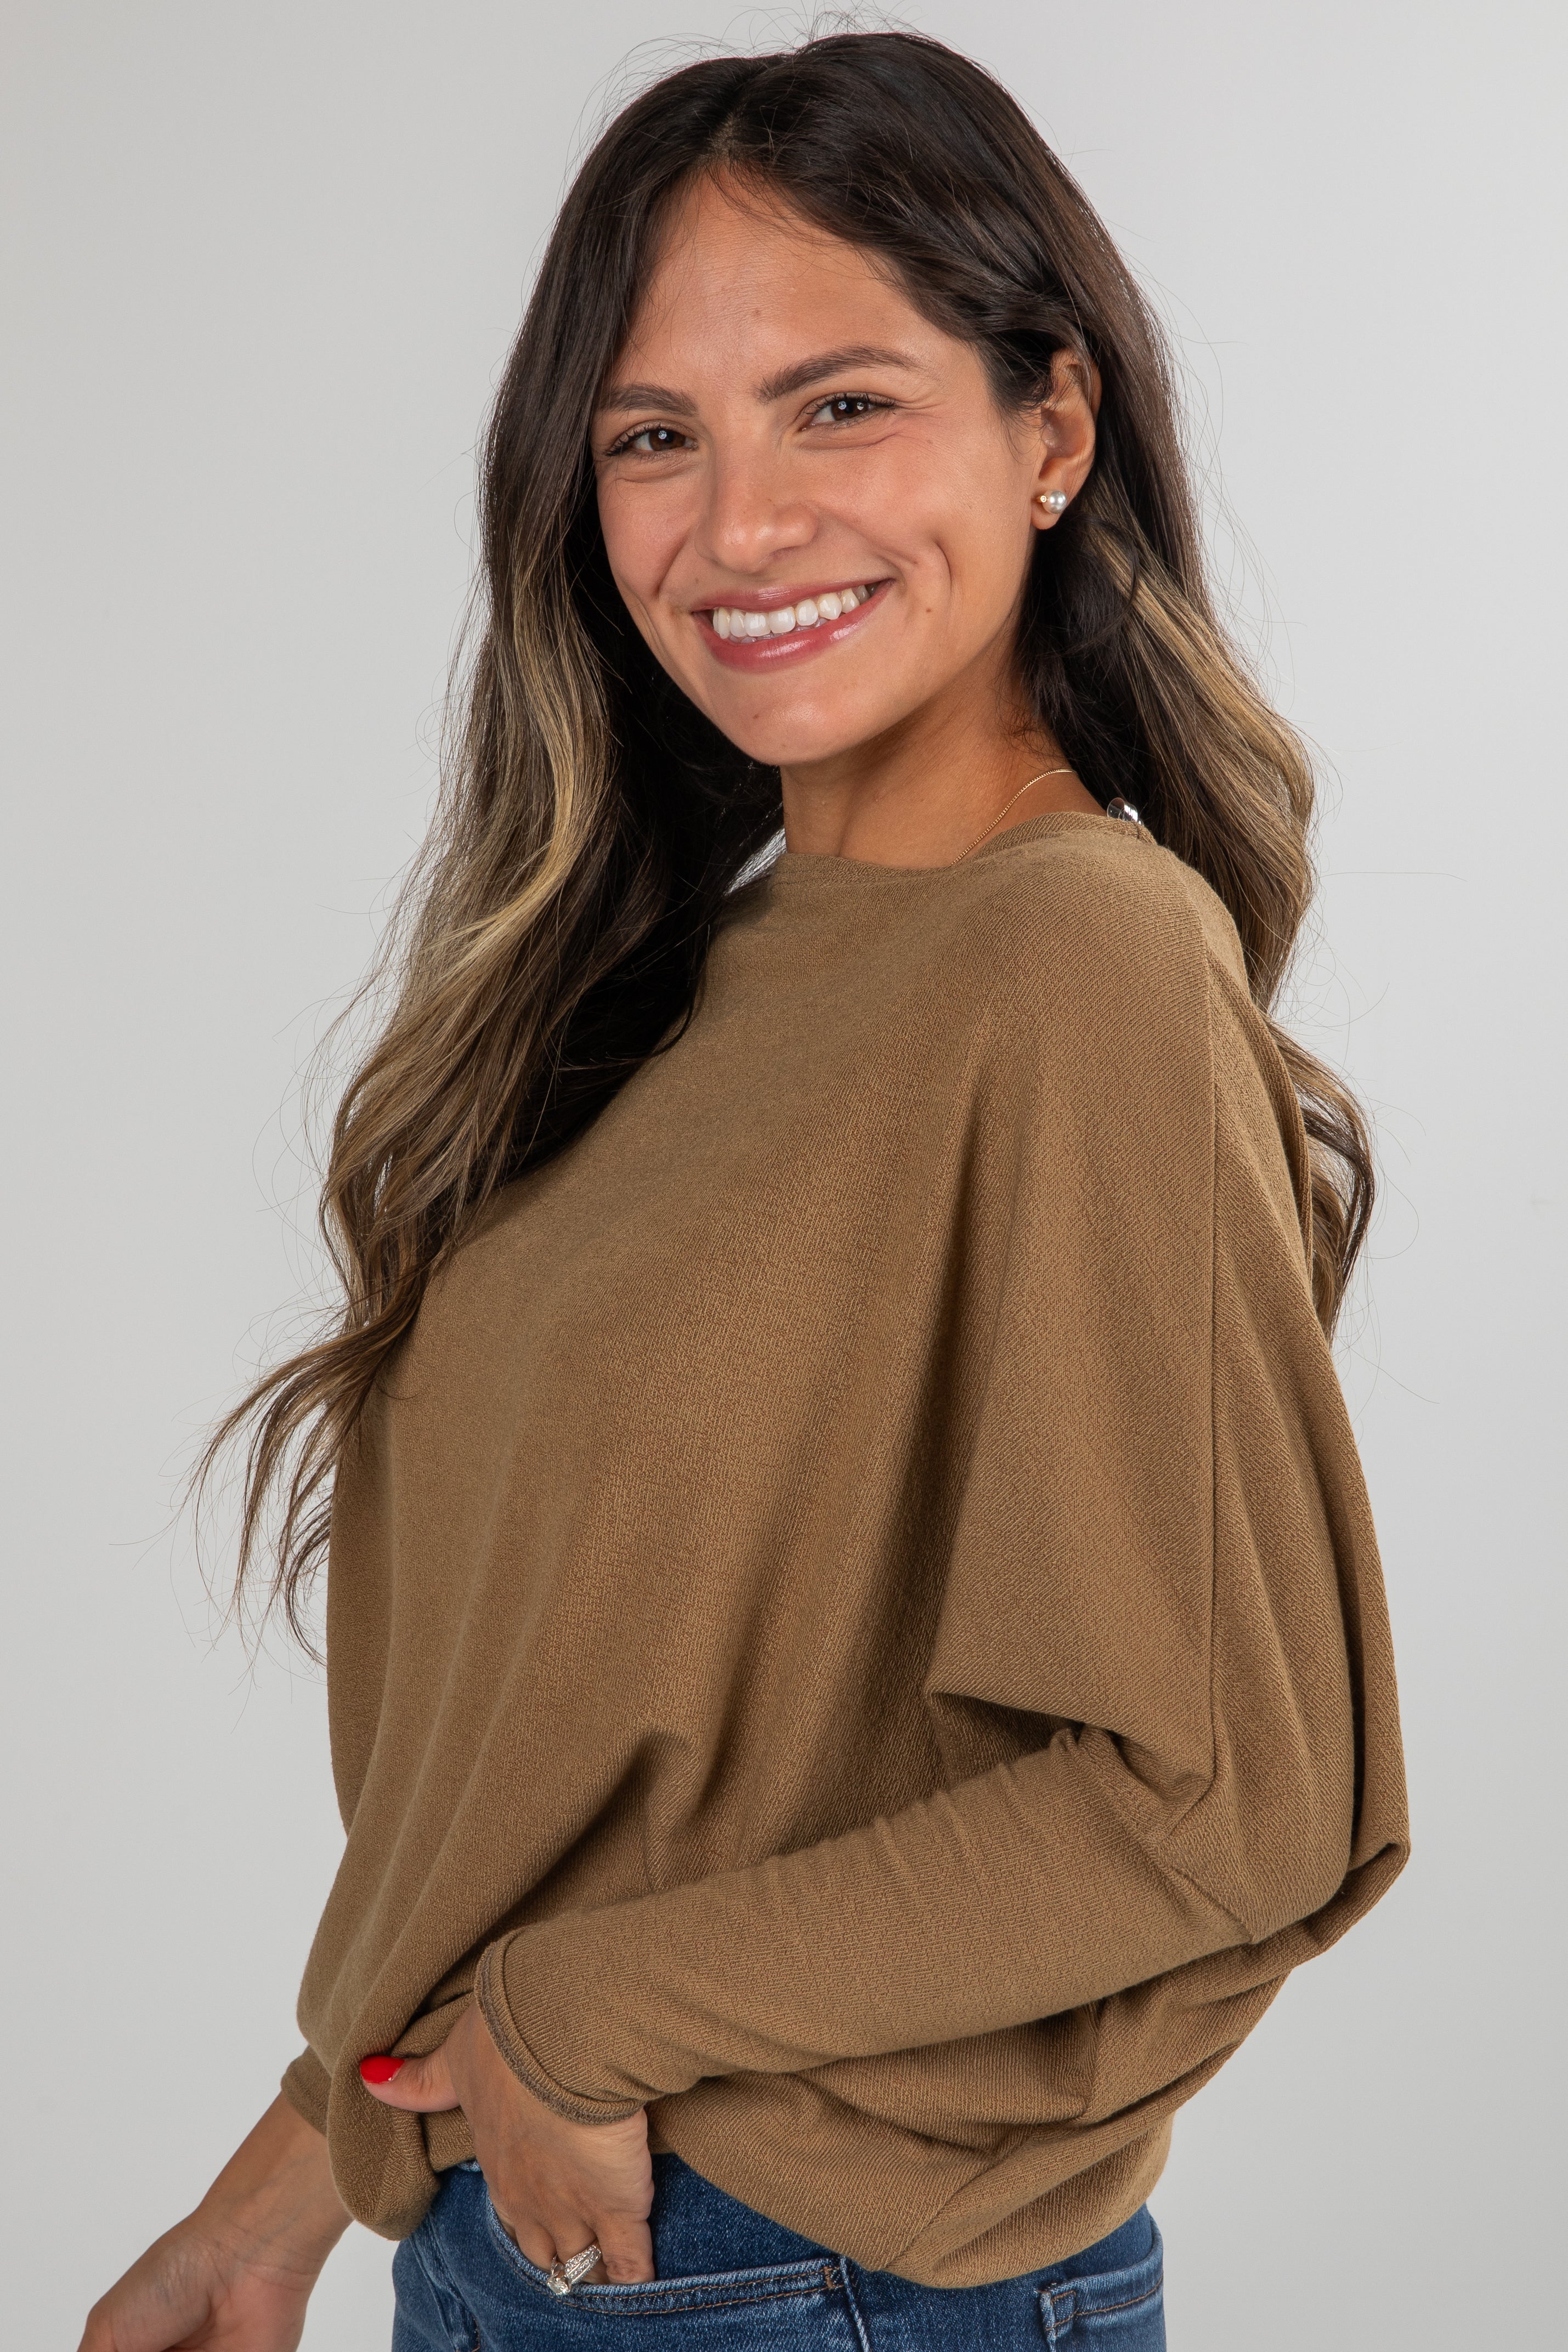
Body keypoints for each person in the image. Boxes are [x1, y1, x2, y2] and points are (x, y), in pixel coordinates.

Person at [78, 31, 1408, 2352]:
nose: (741, 523)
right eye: (651, 438)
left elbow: (1224, 1800)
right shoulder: (676, 978)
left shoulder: (1071, 959)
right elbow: (607, 1739)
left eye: (841, 403)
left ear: (1054, 432)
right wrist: (299, 2172)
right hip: (545, 2241)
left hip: (810, 2281)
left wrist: (583, 2019)